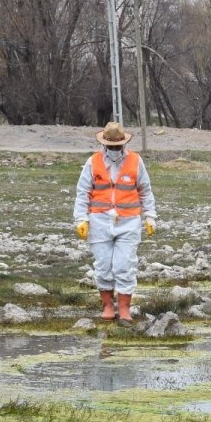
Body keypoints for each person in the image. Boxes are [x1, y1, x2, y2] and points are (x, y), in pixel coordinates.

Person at [73, 122, 157, 323]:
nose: (113, 151)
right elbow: (82, 192)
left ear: (123, 144)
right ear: (104, 145)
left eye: (117, 147)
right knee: (103, 266)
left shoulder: (136, 162)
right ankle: (108, 306)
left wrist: (150, 216)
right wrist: (81, 219)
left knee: (125, 265)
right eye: (110, 147)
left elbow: (145, 190)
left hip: (128, 222)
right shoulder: (92, 162)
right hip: (99, 221)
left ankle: (125, 309)